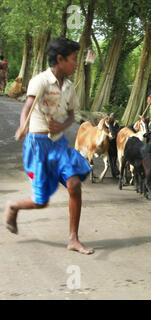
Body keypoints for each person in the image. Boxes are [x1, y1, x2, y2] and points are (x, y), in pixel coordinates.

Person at [3, 37, 94, 255]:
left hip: (59, 144)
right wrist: (23, 126)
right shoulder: (40, 81)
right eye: (73, 59)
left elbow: (72, 115)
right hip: (38, 146)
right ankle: (13, 206)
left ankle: (73, 238)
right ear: (60, 59)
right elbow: (27, 107)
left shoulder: (70, 87)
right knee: (40, 202)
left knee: (74, 184)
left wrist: (61, 125)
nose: (76, 63)